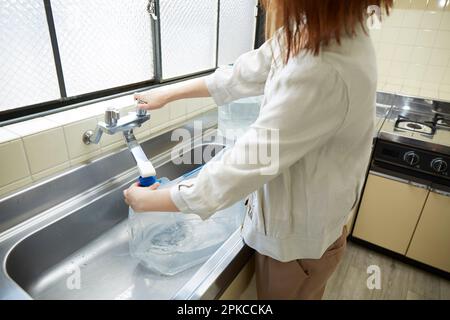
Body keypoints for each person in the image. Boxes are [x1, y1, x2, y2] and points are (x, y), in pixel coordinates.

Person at [123, 0, 393, 300]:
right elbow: (242, 74)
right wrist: (169, 93)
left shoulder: (325, 65)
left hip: (297, 252)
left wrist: (149, 201)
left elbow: (247, 164)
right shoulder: (313, 31)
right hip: (300, 236)